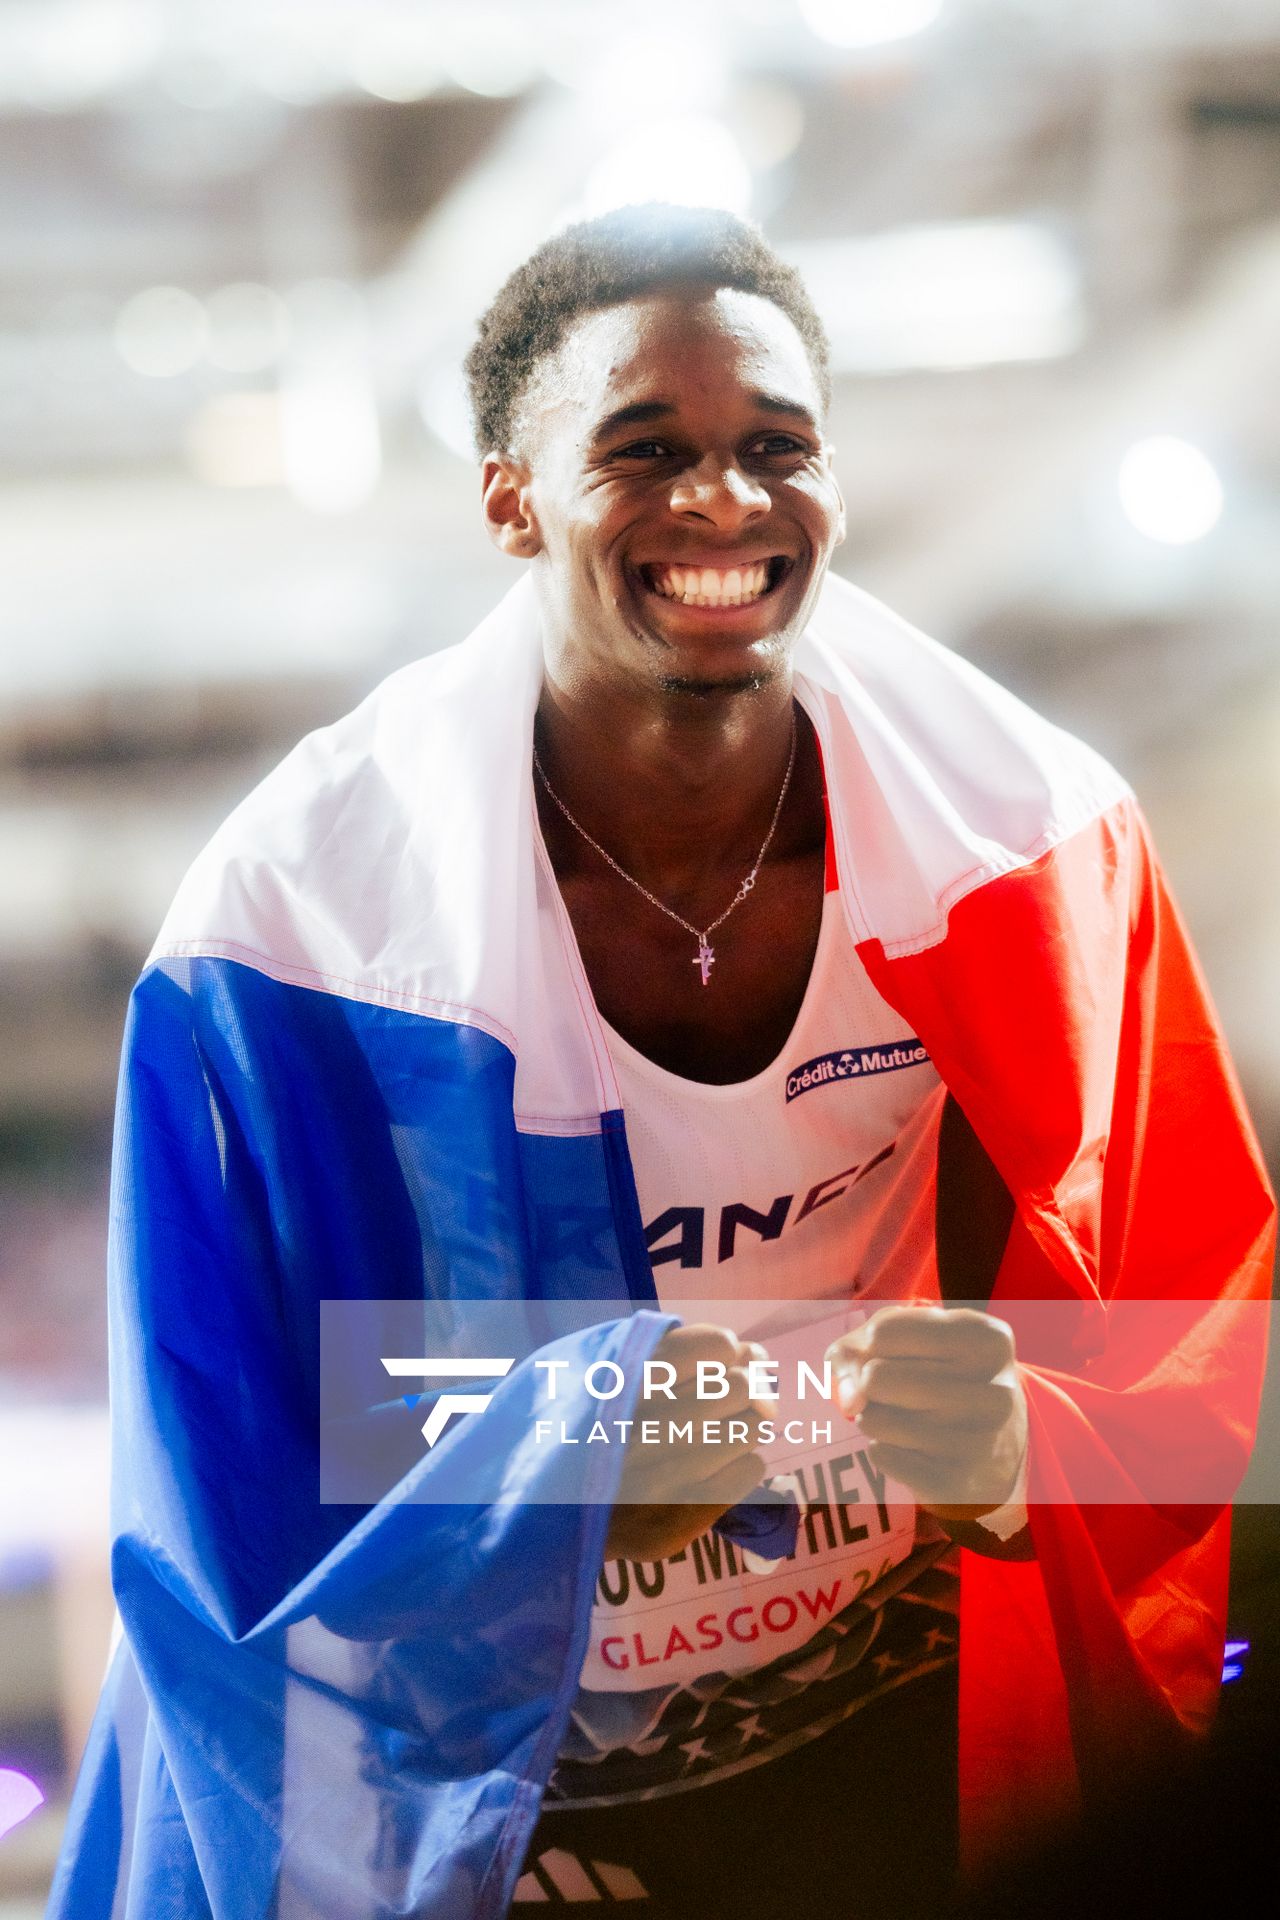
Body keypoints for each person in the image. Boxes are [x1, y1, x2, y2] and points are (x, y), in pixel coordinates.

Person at [47, 205, 1274, 1920]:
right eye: (648, 449)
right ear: (510, 498)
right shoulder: (292, 932)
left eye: (777, 448)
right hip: (507, 1771)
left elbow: (1214, 1339)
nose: (723, 500)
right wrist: (557, 1465)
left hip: (898, 1700)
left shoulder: (1032, 838)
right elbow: (240, 1462)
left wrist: (1033, 1436)